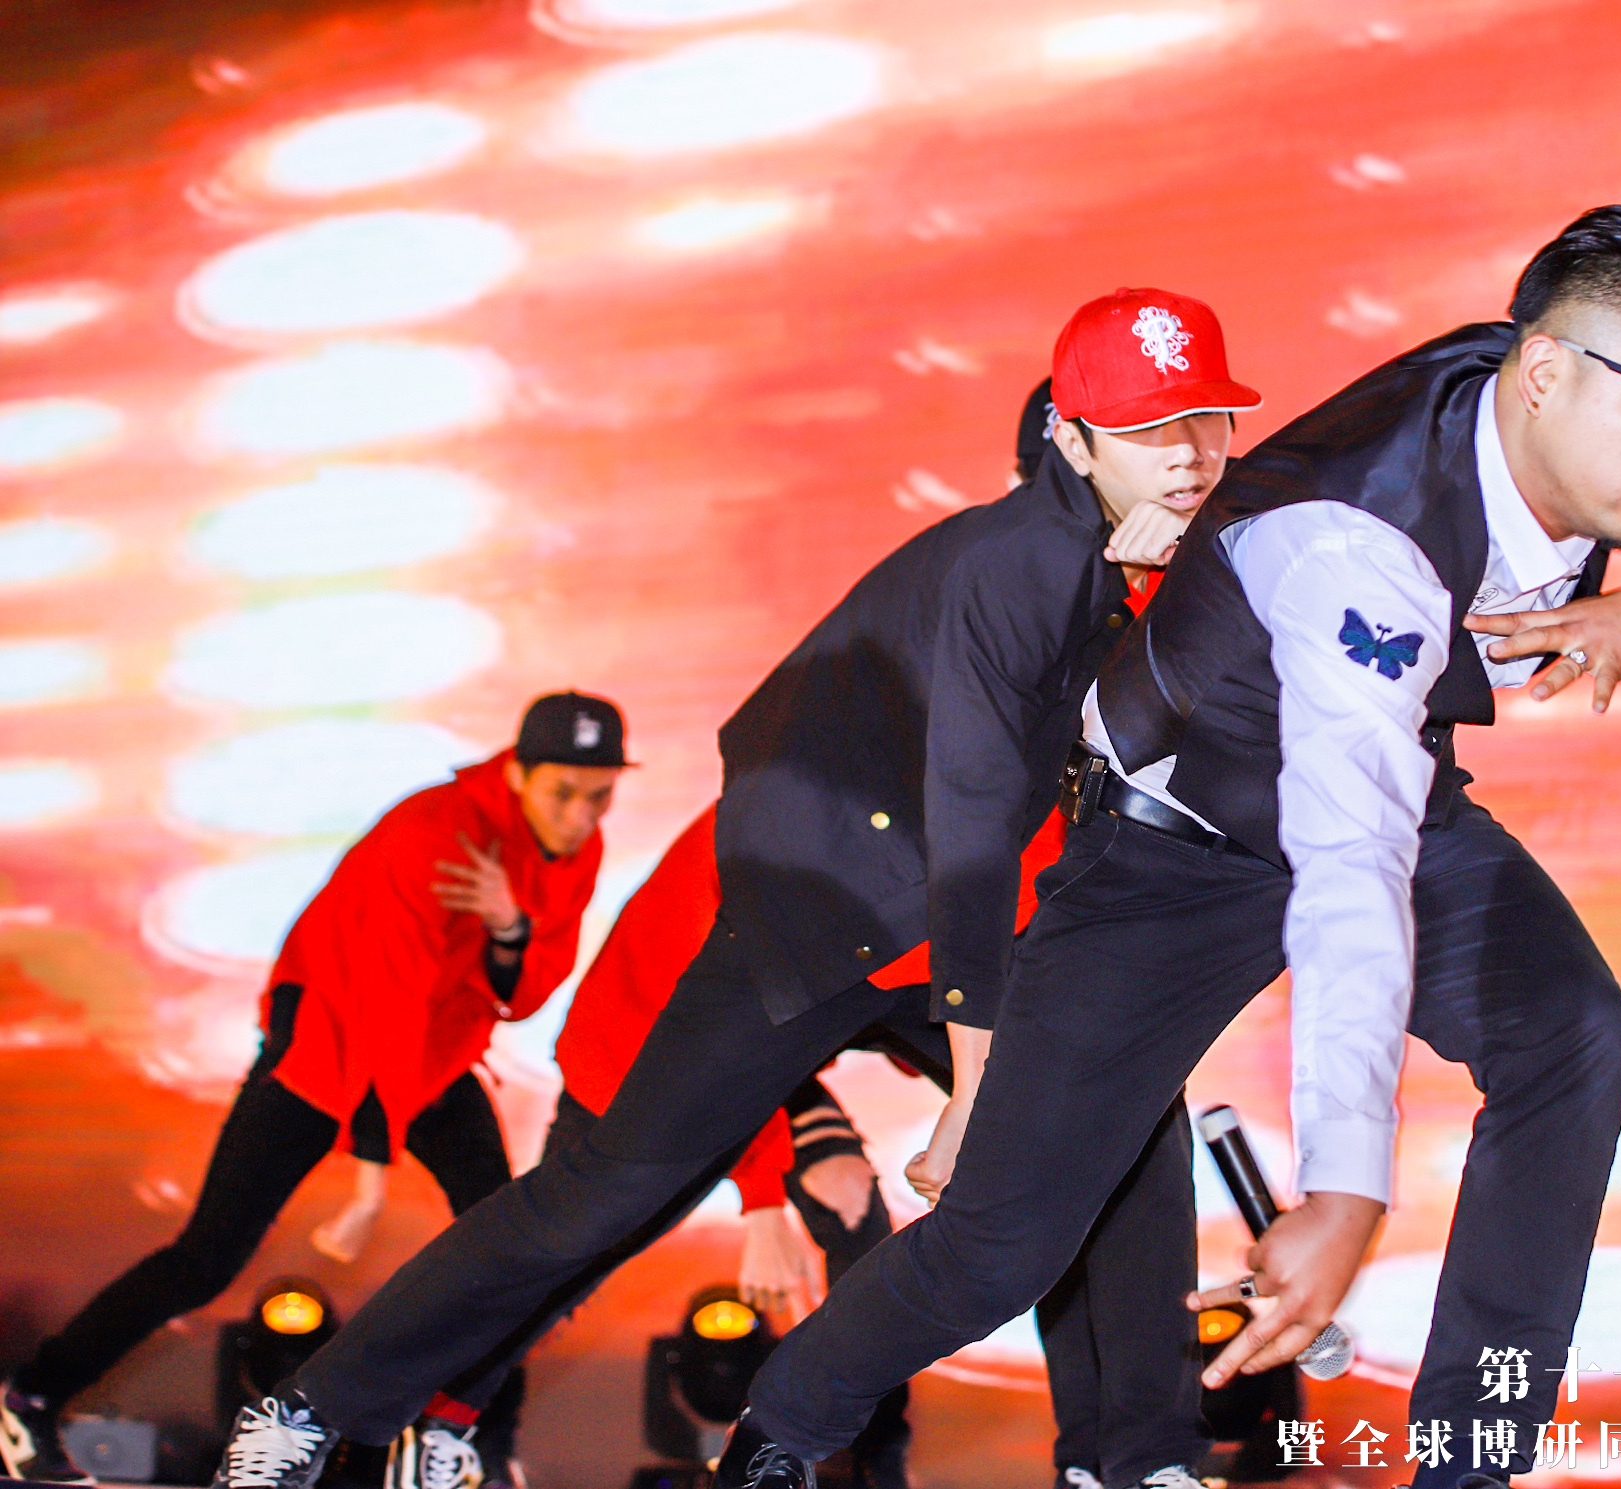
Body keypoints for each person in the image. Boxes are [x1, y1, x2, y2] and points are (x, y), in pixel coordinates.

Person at [729, 205, 1621, 1489]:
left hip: (1378, 784)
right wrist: (1342, 1189)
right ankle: (783, 1427)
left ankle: (1467, 1469)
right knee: (1003, 1242)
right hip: (1172, 845)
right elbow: (1350, 874)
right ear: (1543, 373)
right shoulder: (1354, 549)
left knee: (1573, 1035)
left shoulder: (1592, 415)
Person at [207, 290, 1260, 1489]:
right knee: (601, 1193)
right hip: (829, 917)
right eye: (1146, 432)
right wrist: (970, 1091)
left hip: (977, 940)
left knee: (1128, 1130)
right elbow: (970, 818)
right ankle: (311, 1407)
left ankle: (1135, 1461)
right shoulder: (1008, 568)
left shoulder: (1158, 579)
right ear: (1069, 451)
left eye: (1205, 422)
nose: (1187, 457)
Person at [0, 694, 625, 1487]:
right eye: (562, 792)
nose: (579, 815)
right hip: (327, 1046)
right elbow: (385, 1000)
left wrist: (509, 926)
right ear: (517, 773)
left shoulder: (581, 847)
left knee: (510, 1252)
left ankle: (464, 1441)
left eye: (599, 795)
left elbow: (525, 995)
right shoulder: (435, 830)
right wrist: (371, 1173)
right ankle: (31, 1395)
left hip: (432, 1058)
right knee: (206, 1258)